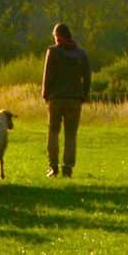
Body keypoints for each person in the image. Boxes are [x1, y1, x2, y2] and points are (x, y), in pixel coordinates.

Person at [41, 23, 90, 177]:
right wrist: (84, 95)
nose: (55, 40)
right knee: (70, 135)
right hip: (75, 99)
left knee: (53, 132)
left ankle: (53, 167)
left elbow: (47, 74)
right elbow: (87, 77)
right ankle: (67, 168)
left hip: (56, 98)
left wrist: (45, 93)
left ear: (59, 36)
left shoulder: (53, 52)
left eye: (55, 37)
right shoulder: (81, 53)